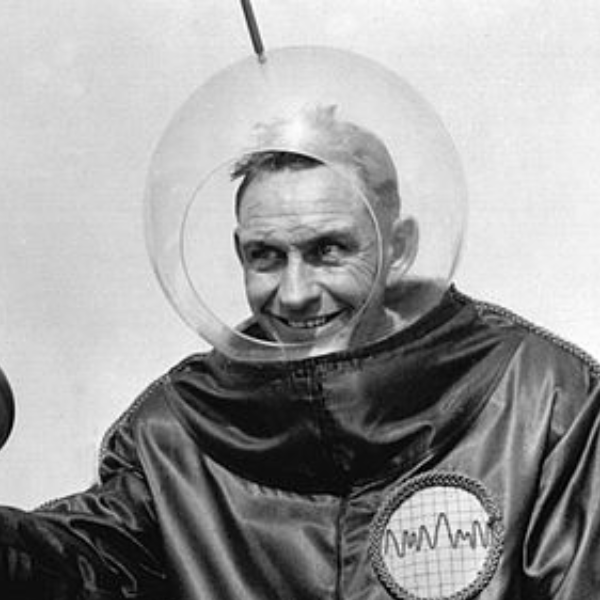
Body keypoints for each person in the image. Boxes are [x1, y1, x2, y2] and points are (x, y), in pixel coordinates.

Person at [1, 107, 600, 600]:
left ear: (398, 247)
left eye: (328, 250)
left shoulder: (544, 401)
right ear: (239, 253)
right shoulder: (172, 436)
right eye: (266, 256)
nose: (294, 293)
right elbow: (81, 570)